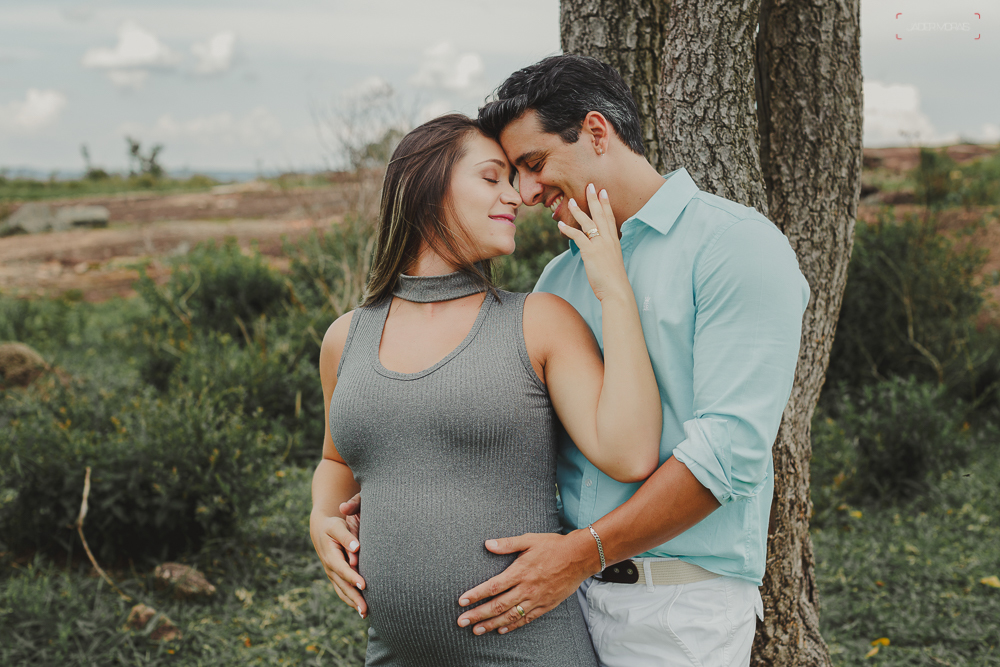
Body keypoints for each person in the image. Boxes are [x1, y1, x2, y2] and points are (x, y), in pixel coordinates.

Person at [341, 55, 811, 666]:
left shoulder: (735, 247)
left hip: (674, 610)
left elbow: (728, 456)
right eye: (511, 173)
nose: (527, 193)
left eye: (533, 165)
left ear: (595, 132)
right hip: (558, 599)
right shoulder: (558, 279)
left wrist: (585, 552)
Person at [310, 112, 665, 666]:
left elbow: (630, 451)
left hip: (529, 650)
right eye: (492, 177)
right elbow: (336, 459)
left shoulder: (538, 321)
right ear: (426, 188)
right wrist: (320, 519)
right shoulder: (345, 338)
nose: (517, 197)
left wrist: (613, 289)